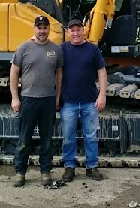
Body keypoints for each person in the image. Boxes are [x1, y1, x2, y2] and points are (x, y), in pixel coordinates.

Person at [9, 15, 63, 187]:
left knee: (46, 140)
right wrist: (15, 98)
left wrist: (57, 96)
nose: (42, 31)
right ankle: (20, 172)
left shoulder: (56, 49)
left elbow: (59, 74)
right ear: (34, 29)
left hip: (48, 100)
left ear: (49, 29)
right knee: (25, 138)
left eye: (45, 28)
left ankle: (45, 171)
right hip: (28, 99)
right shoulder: (23, 48)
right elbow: (13, 73)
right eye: (39, 28)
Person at [60, 19, 108, 182]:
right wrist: (33, 39)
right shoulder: (62, 49)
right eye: (72, 30)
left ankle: (91, 166)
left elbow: (101, 71)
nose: (75, 33)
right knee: (68, 136)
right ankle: (69, 167)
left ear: (83, 30)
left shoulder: (93, 49)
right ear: (68, 32)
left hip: (89, 101)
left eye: (78, 30)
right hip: (69, 101)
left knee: (91, 136)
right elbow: (45, 50)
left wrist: (102, 95)